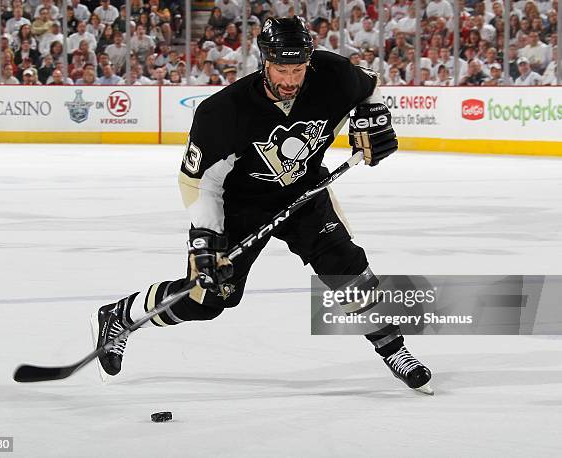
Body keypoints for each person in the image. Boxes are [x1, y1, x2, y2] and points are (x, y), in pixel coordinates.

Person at [93, 17, 433, 395]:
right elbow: (198, 181)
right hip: (239, 208)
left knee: (348, 269)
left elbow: (370, 83)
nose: (290, 80)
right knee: (207, 299)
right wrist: (205, 238)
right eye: (281, 70)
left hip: (304, 193)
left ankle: (395, 350)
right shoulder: (222, 112)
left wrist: (373, 116)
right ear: (264, 62)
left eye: (299, 69)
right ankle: (121, 316)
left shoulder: (332, 75)